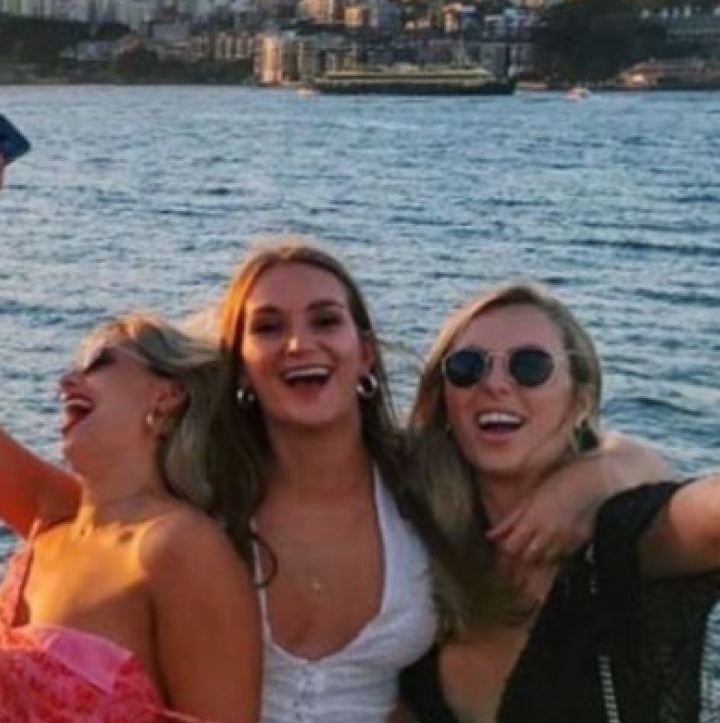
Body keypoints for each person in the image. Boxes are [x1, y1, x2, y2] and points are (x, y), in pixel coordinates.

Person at [203, 238, 664, 723]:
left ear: (365, 354)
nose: (299, 344)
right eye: (268, 327)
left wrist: (603, 473)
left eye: (325, 320)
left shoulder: (423, 480)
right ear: (239, 368)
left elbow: (652, 475)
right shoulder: (204, 491)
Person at [0, 117, 259, 723]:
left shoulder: (178, 548)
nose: (68, 381)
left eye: (96, 363)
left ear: (167, 396)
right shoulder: (54, 517)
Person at [396, 282, 715, 723]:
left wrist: (610, 470)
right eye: (467, 367)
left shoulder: (617, 535)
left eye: (530, 366)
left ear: (580, 400)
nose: (494, 385)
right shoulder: (416, 533)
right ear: (445, 398)